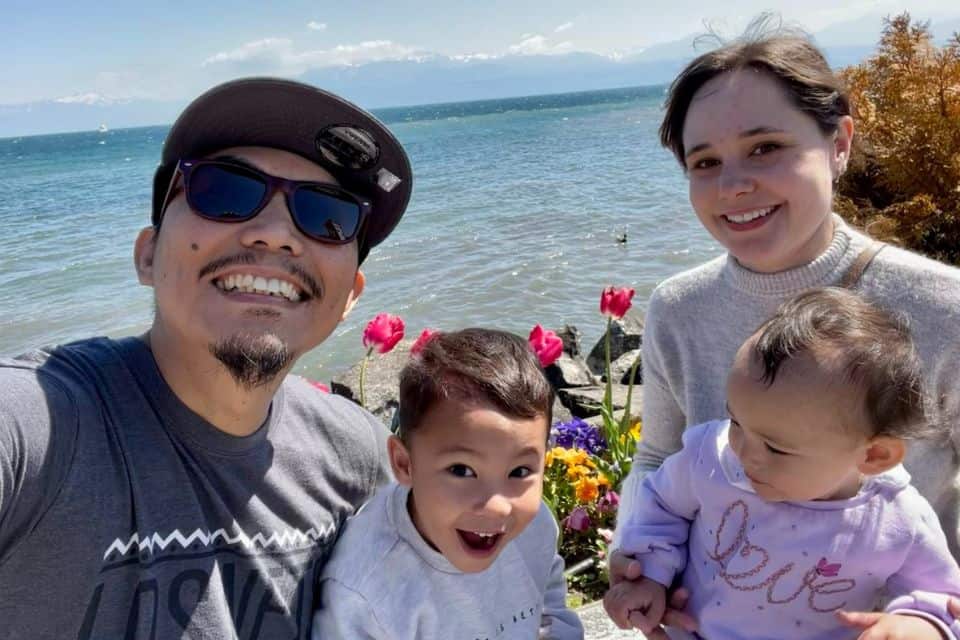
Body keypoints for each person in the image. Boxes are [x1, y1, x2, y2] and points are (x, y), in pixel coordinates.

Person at [0, 77, 413, 638]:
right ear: (148, 255)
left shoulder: (357, 457)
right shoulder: (41, 428)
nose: (274, 234)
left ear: (350, 298)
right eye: (225, 191)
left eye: (328, 215)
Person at [605, 20, 960, 637]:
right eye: (705, 161)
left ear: (839, 142)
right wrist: (637, 568)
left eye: (766, 147)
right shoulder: (678, 307)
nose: (734, 184)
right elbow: (660, 459)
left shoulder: (941, 306)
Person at [606, 287, 960, 639]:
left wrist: (919, 625)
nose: (744, 453)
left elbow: (943, 597)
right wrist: (650, 575)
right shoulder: (711, 459)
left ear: (873, 455)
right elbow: (663, 503)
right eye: (736, 423)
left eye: (776, 449)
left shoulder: (895, 518)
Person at [312, 328, 584, 639]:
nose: (496, 506)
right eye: (461, 470)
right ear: (404, 463)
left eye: (520, 472)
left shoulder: (534, 526)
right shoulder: (365, 592)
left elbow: (549, 604)